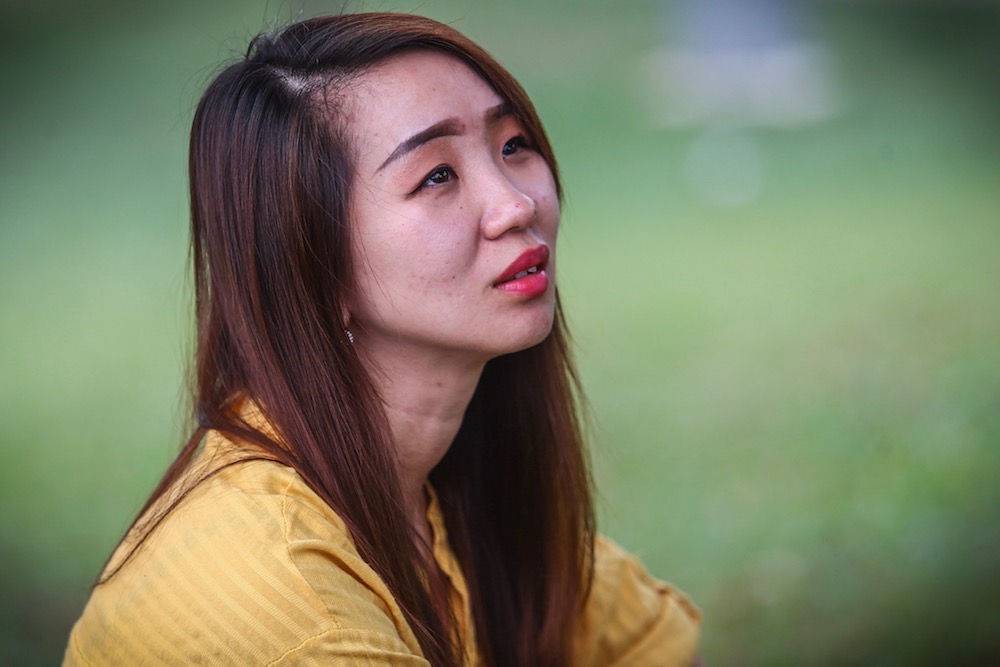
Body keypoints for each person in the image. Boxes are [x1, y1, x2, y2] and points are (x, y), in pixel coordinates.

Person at [64, 12, 700, 667]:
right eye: (436, 175)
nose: (515, 204)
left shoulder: (456, 489)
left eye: (512, 144)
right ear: (313, 261)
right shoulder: (291, 604)